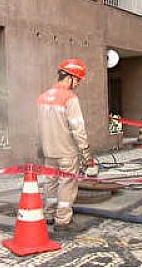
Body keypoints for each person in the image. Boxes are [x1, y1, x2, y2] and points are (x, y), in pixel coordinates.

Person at [37, 58, 93, 232]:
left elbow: (38, 126)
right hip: (66, 151)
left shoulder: (43, 97)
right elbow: (77, 127)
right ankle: (63, 221)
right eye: (77, 80)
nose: (78, 84)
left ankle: (48, 214)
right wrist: (86, 152)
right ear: (69, 77)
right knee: (67, 184)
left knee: (50, 183)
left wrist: (40, 146)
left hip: (48, 150)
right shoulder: (70, 98)